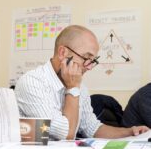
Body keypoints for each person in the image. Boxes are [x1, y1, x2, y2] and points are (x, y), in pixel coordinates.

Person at [14, 25, 149, 140]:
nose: (89, 67)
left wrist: (130, 132)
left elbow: (92, 128)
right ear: (62, 52)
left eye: (93, 61)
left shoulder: (79, 86)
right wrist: (72, 89)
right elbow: (66, 135)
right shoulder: (32, 82)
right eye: (86, 58)